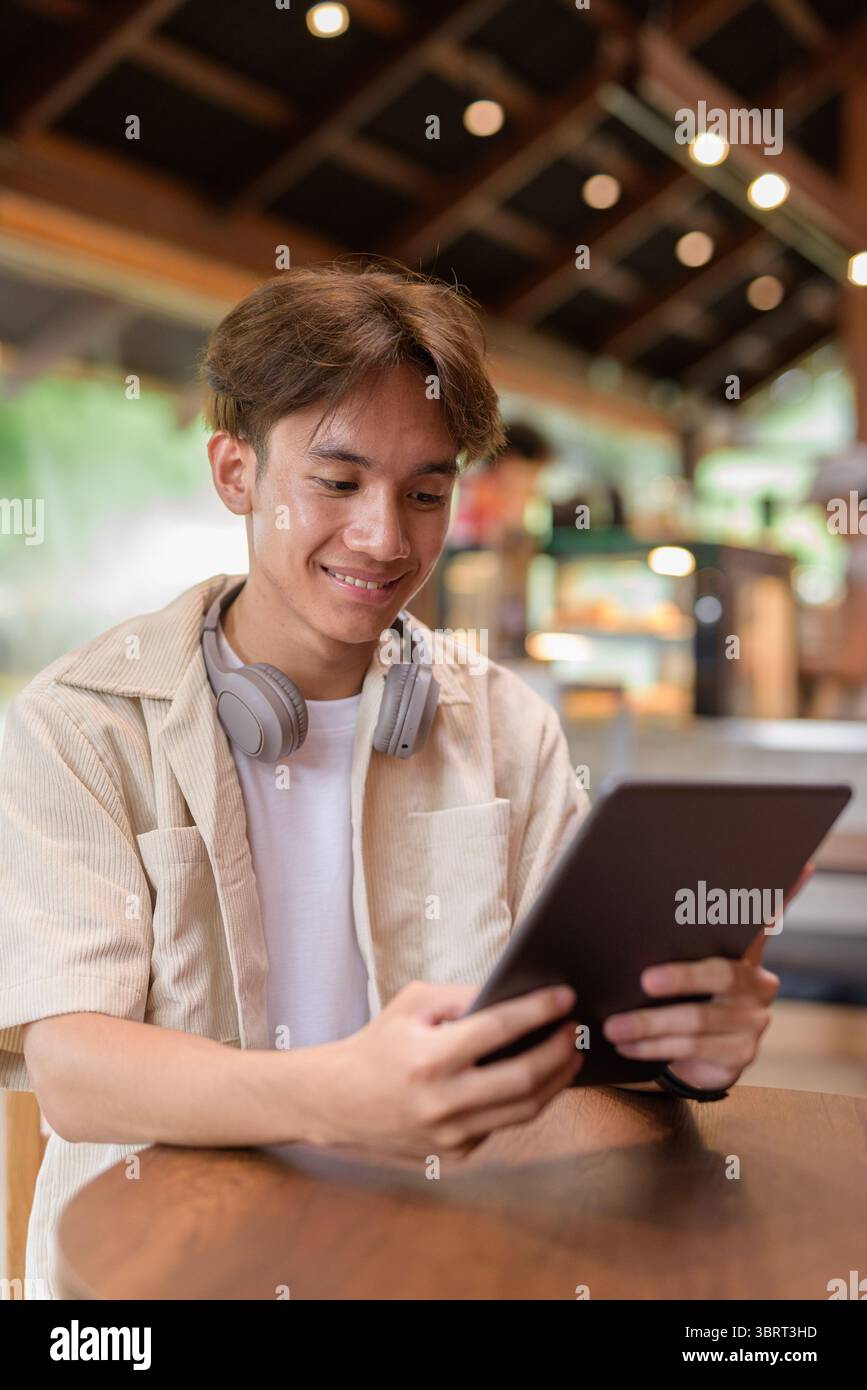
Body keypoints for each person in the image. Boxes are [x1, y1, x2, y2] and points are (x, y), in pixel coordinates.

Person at [0, 258, 784, 1299]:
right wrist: (337, 1092)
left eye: (426, 491)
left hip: (443, 1261)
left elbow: (575, 1022)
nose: (385, 536)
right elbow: (76, 1070)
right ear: (236, 474)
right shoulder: (79, 721)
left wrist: (692, 1044)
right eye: (337, 482)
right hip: (153, 1279)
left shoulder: (506, 723)